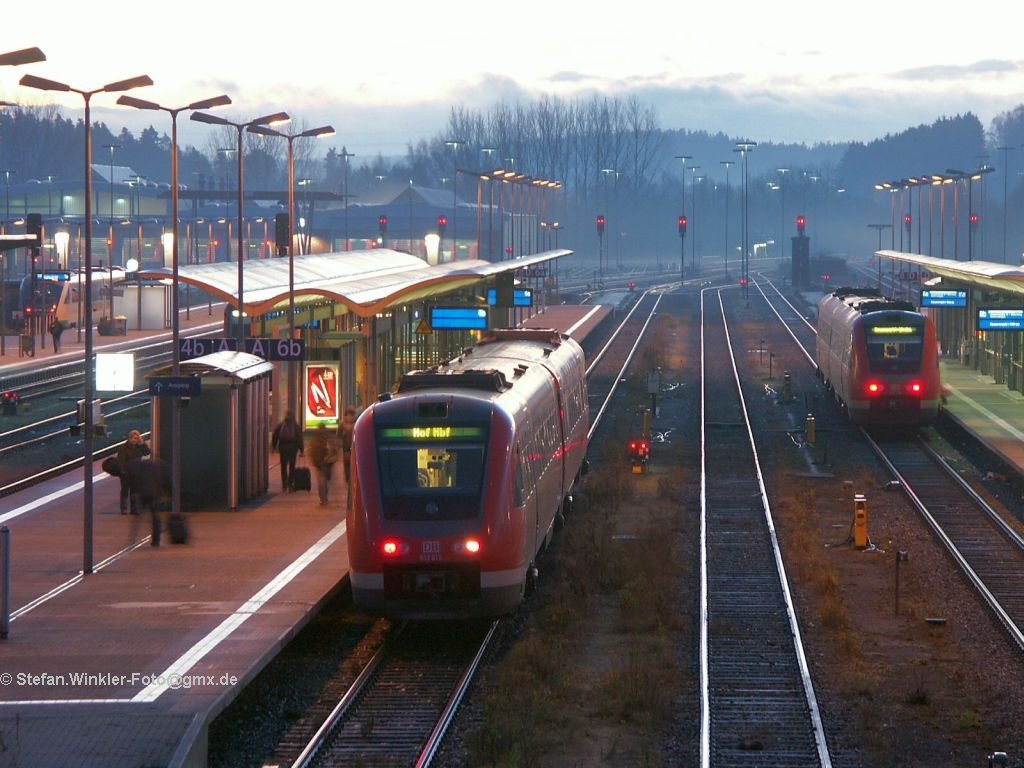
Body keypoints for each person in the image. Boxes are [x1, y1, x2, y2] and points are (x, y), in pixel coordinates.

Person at [116, 429, 151, 514]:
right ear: (129, 438)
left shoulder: (139, 447)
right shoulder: (124, 448)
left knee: (134, 491)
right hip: (126, 473)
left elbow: (147, 452)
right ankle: (124, 509)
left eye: (137, 438)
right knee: (125, 491)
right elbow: (121, 461)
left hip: (136, 473)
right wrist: (123, 472)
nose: (135, 440)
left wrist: (142, 443)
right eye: (134, 438)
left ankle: (134, 509)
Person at [307, 424, 340, 506]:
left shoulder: (315, 438)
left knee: (321, 481)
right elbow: (335, 448)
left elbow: (311, 450)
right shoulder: (329, 437)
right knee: (326, 479)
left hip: (318, 463)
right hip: (328, 462)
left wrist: (313, 461)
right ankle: (325, 496)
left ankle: (323, 499)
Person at [271, 410, 304, 492]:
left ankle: (284, 484)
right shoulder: (296, 426)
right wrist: (301, 450)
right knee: (292, 466)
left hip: (283, 448)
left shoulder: (281, 425)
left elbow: (275, 436)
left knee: (283, 466)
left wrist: (273, 447)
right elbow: (299, 438)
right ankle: (290, 484)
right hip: (293, 448)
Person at [338, 405, 357, 484]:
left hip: (345, 447)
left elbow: (338, 435)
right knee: (354, 463)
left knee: (346, 464)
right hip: (354, 446)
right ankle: (352, 477)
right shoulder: (357, 422)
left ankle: (347, 478)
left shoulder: (342, 423)